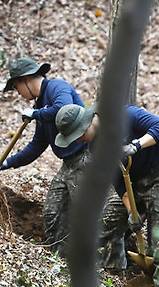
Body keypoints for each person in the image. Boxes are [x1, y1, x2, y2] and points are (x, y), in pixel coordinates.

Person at [54, 103, 159, 287]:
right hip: (132, 185)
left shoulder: (126, 115)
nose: (79, 140)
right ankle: (112, 276)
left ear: (86, 124)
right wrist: (132, 212)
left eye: (79, 135)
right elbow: (118, 182)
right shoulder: (94, 148)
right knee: (105, 224)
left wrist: (136, 145)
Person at [1, 57, 88, 254]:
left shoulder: (57, 87)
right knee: (52, 211)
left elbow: (62, 109)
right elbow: (36, 146)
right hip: (69, 164)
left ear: (25, 80)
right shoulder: (41, 106)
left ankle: (100, 262)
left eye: (16, 87)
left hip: (86, 158)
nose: (19, 93)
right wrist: (6, 163)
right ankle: (58, 255)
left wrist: (36, 114)